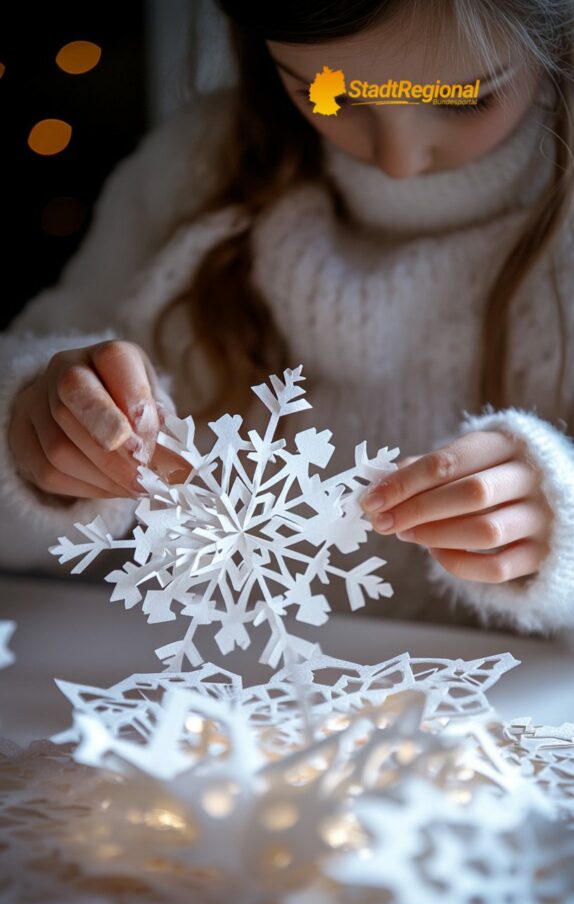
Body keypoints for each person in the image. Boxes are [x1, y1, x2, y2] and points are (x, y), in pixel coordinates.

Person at [2, 0, 574, 636]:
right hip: (196, 699)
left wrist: (562, 523)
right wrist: (34, 445)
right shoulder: (195, 174)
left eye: (465, 99)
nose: (398, 160)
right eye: (329, 97)